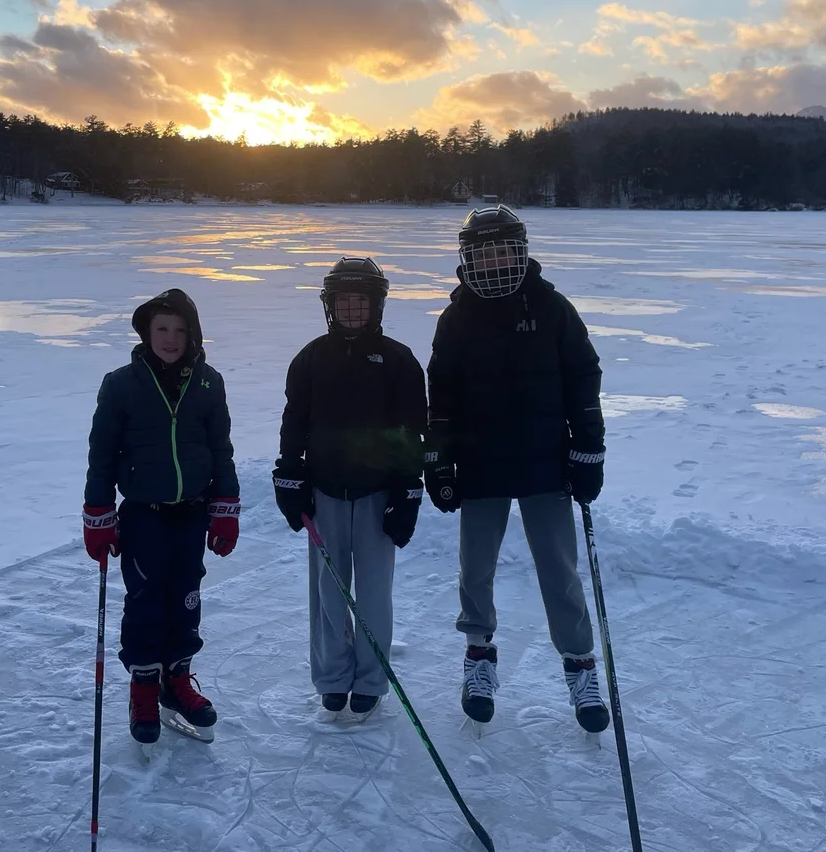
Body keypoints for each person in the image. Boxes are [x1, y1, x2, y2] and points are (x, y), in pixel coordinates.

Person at [424, 206, 610, 733]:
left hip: (545, 463)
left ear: (520, 251)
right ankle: (479, 655)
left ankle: (578, 665)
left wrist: (588, 449)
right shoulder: (457, 316)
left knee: (558, 569)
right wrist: (437, 460)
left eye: (501, 249)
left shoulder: (551, 307)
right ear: (468, 258)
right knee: (475, 568)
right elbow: (441, 396)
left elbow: (583, 377)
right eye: (482, 252)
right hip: (481, 464)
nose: (493, 260)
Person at [82, 288, 240, 744]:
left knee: (186, 598)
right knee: (147, 602)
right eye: (161, 330)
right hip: (142, 517)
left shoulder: (209, 383)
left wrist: (224, 509)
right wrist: (98, 513)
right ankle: (144, 689)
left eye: (179, 330)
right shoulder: (121, 384)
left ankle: (177, 681)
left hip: (191, 514)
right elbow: (102, 454)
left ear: (192, 335)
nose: (170, 339)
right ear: (146, 334)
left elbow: (220, 451)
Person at [272, 257, 427, 720]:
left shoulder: (398, 360)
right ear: (330, 306)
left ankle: (371, 677)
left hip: (378, 494)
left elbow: (410, 432)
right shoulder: (311, 357)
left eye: (362, 302)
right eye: (344, 303)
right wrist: (289, 472)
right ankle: (333, 677)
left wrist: (407, 489)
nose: (353, 311)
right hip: (325, 493)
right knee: (328, 590)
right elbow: (294, 420)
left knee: (374, 592)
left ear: (377, 305)